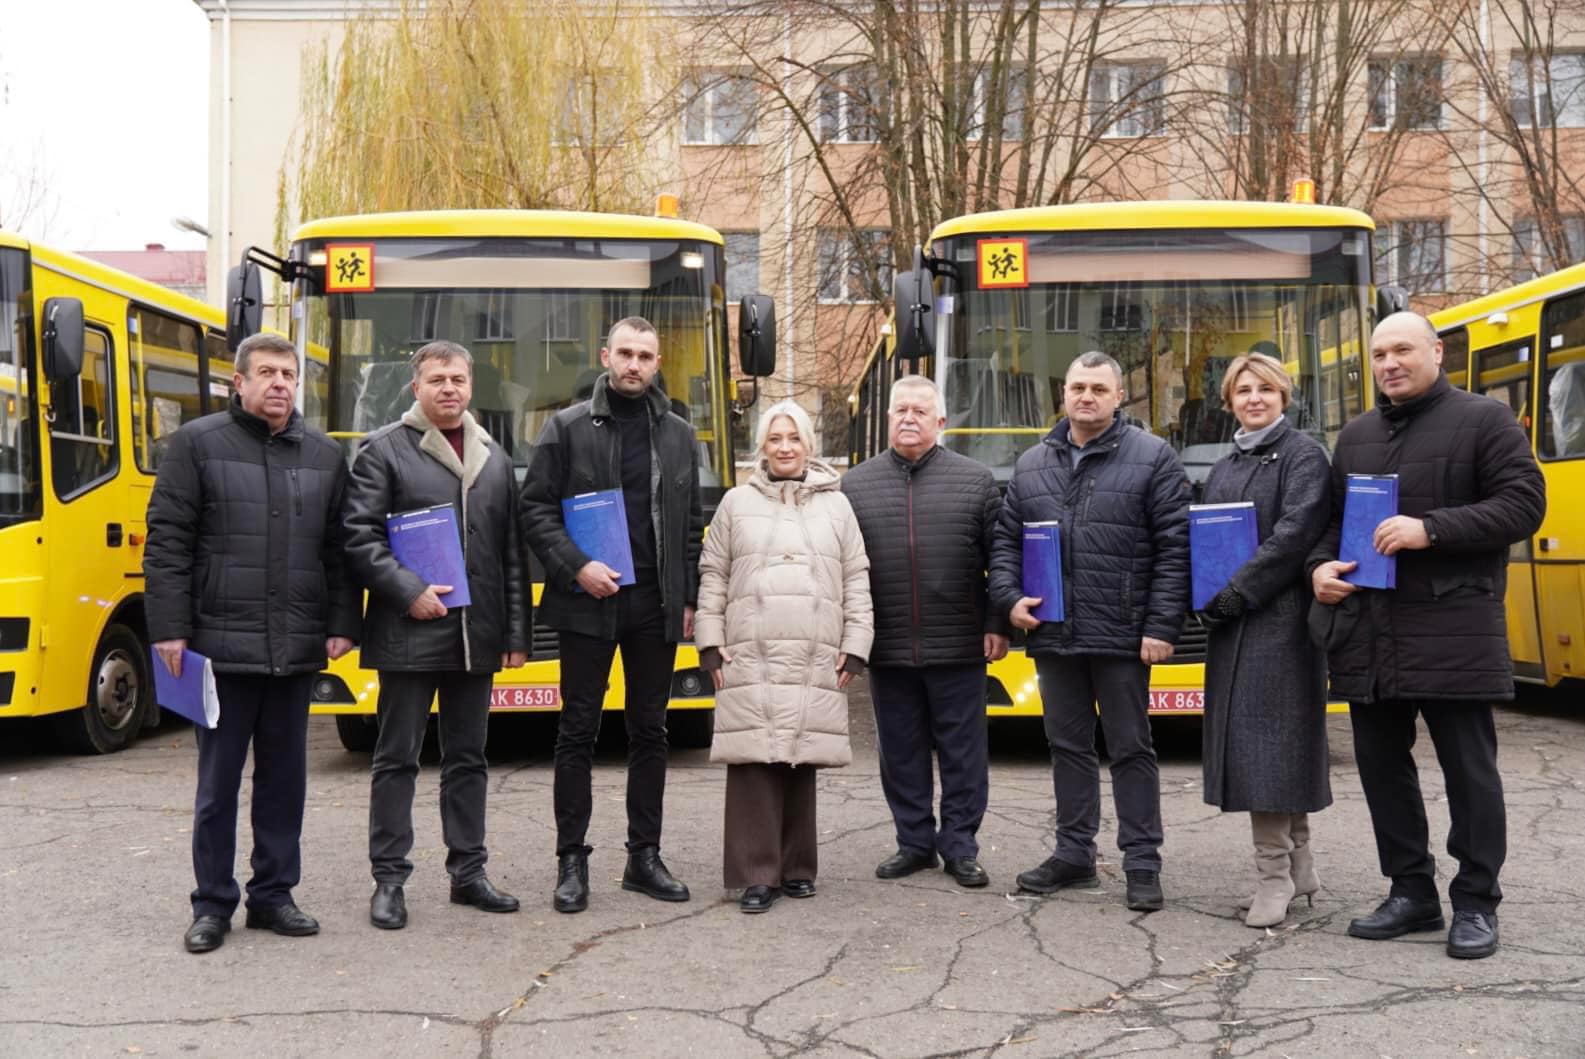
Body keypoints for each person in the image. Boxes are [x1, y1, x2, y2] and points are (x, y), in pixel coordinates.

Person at [1309, 311, 1545, 960]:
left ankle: (1475, 902)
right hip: (1368, 632)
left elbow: (1524, 504)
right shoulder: (1354, 434)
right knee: (1383, 771)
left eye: (1402, 349)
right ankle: (1409, 891)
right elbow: (1330, 524)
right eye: (1379, 352)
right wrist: (1319, 569)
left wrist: (1429, 528)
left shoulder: (1484, 420)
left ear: (1435, 352)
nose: (1389, 362)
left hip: (1452, 628)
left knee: (1469, 773)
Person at [144, 333, 360, 954]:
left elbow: (338, 552)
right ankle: (212, 903)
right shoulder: (196, 445)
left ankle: (274, 895)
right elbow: (168, 542)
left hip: (293, 649)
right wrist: (169, 628)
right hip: (218, 648)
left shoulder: (322, 455)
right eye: (265, 372)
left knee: (284, 781)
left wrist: (343, 622)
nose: (279, 384)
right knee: (218, 785)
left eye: (288, 373)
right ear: (237, 382)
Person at [989, 350, 1190, 912]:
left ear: (1118, 396)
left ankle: (1142, 863)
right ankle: (1074, 856)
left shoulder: (1153, 458)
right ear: (1064, 393)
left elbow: (1175, 550)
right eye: (1078, 386)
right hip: (1054, 634)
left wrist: (1160, 625)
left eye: (1099, 389)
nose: (1087, 397)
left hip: (1124, 635)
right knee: (1068, 747)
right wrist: (1009, 601)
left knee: (1131, 748)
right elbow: (1007, 542)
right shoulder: (1031, 464)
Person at [342, 340, 529, 930]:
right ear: (415, 387)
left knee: (469, 758)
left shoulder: (494, 457)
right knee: (396, 758)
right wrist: (408, 590)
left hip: (477, 634)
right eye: (436, 379)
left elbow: (510, 556)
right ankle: (389, 881)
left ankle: (468, 873)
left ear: (471, 386)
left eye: (457, 379)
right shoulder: (384, 452)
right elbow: (359, 537)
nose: (448, 389)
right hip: (408, 631)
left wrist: (515, 632)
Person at [521, 317, 703, 914]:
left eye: (645, 356)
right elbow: (535, 510)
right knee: (577, 729)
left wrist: (691, 598)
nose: (634, 364)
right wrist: (576, 565)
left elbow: (691, 526)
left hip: (654, 603)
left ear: (656, 363)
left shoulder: (678, 433)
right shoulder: (566, 428)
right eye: (624, 353)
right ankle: (571, 862)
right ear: (605, 356)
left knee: (650, 730)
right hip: (587, 601)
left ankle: (643, 858)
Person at [694, 401, 872, 913]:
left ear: (809, 445)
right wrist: (709, 639)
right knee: (754, 757)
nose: (785, 447)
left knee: (800, 754)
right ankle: (756, 875)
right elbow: (715, 576)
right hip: (750, 647)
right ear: (762, 447)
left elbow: (856, 578)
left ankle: (796, 868)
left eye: (794, 438)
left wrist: (856, 645)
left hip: (816, 647)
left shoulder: (837, 507)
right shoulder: (735, 503)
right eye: (775, 438)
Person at [840, 375, 1008, 888]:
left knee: (963, 753)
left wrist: (997, 622)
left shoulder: (977, 482)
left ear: (941, 421)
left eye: (919, 410)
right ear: (887, 419)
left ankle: (960, 846)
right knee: (901, 751)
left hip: (959, 644)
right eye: (899, 410)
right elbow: (842, 568)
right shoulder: (854, 487)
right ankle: (913, 843)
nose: (908, 418)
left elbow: (1001, 557)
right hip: (887, 646)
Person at [1197, 351, 1333, 928]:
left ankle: (1273, 879)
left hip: (1280, 624)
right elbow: (1205, 538)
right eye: (1243, 390)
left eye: (1266, 389)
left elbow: (1294, 534)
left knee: (1269, 753)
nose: (1255, 398)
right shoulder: (1226, 464)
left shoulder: (1303, 456)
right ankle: (1300, 868)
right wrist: (1206, 592)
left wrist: (1237, 591)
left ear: (1285, 396)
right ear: (1229, 400)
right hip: (1236, 627)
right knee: (1269, 751)